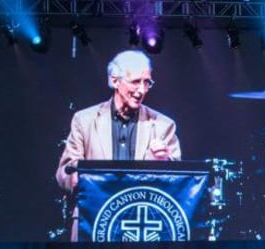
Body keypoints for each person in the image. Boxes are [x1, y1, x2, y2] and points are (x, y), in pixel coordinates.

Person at [55, 49, 181, 192]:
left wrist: (164, 163)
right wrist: (80, 178)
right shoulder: (84, 121)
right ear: (115, 81)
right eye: (135, 82)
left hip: (142, 211)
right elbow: (64, 174)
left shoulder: (163, 125)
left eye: (146, 82)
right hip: (95, 211)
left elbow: (180, 181)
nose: (142, 90)